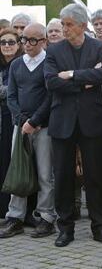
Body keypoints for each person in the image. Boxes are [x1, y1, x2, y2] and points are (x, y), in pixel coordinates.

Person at [44, 3, 102, 247]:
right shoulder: (54, 50)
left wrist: (72, 75)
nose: (63, 29)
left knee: (95, 176)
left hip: (91, 121)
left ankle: (100, 227)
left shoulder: (99, 47)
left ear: (83, 26)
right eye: (62, 24)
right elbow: (51, 83)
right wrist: (86, 79)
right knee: (63, 177)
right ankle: (65, 229)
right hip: (62, 121)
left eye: (68, 24)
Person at [0, 23, 56, 239]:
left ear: (43, 41)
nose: (27, 44)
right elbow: (11, 96)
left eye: (33, 40)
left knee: (44, 173)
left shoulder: (49, 63)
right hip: (20, 126)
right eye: (24, 39)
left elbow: (50, 96)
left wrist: (35, 120)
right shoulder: (16, 65)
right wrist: (22, 120)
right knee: (18, 170)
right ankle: (15, 217)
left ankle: (46, 217)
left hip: (43, 127)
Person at [0, 28, 23, 218]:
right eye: (3, 42)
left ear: (18, 45)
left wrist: (6, 91)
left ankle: (14, 210)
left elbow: (22, 91)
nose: (7, 46)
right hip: (1, 120)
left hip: (15, 119)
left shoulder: (22, 64)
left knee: (12, 163)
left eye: (11, 42)